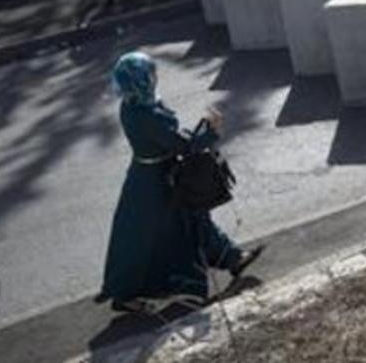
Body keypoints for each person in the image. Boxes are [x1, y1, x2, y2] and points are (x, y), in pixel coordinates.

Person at [96, 52, 262, 313]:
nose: (155, 78)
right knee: (145, 238)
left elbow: (169, 140)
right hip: (155, 184)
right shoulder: (146, 115)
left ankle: (233, 258)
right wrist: (211, 132)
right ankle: (125, 294)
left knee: (192, 219)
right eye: (150, 74)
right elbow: (183, 146)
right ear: (140, 81)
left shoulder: (132, 105)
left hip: (149, 175)